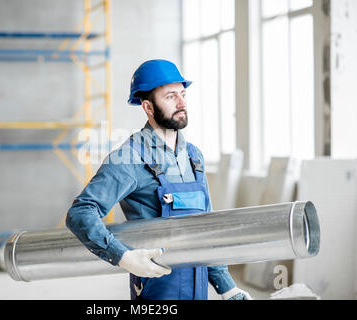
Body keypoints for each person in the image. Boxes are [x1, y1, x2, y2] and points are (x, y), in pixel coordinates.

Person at [66, 59, 251, 300]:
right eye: (171, 96)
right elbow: (80, 212)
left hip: (197, 289)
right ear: (148, 107)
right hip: (158, 290)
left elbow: (205, 229)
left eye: (183, 94)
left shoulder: (194, 155)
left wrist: (228, 288)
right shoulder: (129, 157)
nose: (182, 103)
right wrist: (122, 256)